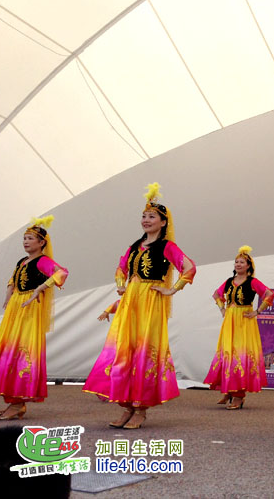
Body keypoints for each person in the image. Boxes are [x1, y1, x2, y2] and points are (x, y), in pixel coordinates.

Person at [83, 183, 196, 429]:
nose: (146, 220)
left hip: (150, 302)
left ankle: (140, 409)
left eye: (151, 216)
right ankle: (126, 406)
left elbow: (189, 268)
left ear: (163, 222)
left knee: (144, 350)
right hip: (130, 301)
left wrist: (172, 289)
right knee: (125, 349)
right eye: (144, 216)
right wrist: (121, 285)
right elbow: (120, 267)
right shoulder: (135, 245)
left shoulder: (167, 247)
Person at [0, 217, 67, 421]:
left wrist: (41, 288)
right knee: (8, 350)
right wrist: (9, 294)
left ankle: (18, 403)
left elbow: (61, 273)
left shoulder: (43, 261)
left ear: (42, 242)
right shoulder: (22, 261)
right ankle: (14, 402)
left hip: (29, 310)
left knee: (22, 351)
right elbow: (13, 278)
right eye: (24, 238)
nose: (25, 242)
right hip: (16, 307)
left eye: (30, 238)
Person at [203, 246, 274, 409]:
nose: (238, 264)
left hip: (244, 321)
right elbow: (217, 294)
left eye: (242, 262)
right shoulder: (229, 281)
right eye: (236, 262)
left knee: (240, 355)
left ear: (248, 265)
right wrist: (222, 309)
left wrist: (257, 311)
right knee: (228, 352)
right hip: (230, 320)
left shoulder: (253, 282)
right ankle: (229, 390)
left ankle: (238, 395)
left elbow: (269, 294)